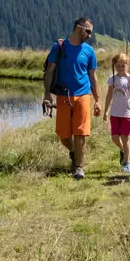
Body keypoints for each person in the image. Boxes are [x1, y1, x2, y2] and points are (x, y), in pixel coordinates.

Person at [43, 17, 102, 180]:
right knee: (63, 135)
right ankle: (74, 152)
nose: (90, 35)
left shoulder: (89, 51)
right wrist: (47, 94)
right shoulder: (59, 47)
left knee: (81, 133)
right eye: (88, 31)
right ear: (78, 28)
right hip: (63, 95)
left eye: (91, 32)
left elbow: (93, 77)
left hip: (83, 95)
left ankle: (78, 167)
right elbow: (50, 70)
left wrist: (97, 100)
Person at [104, 53, 130, 173]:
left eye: (123, 65)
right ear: (115, 66)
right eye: (118, 65)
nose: (121, 67)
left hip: (127, 112)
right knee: (114, 137)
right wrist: (106, 111)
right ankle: (123, 150)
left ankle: (127, 162)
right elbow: (109, 95)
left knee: (125, 137)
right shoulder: (112, 79)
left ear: (128, 65)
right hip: (115, 112)